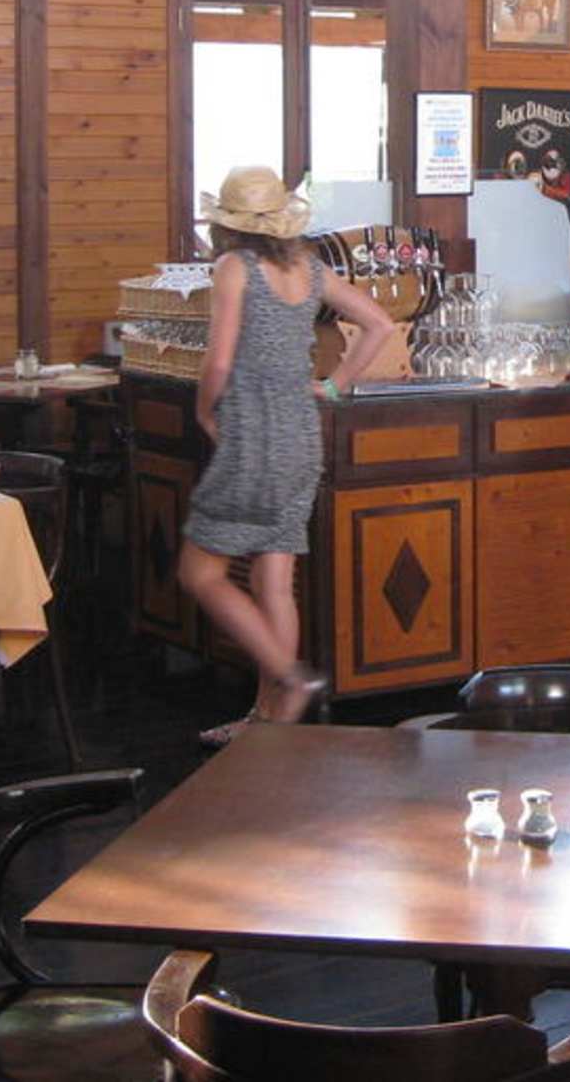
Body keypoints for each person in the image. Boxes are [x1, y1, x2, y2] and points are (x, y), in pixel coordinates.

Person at [181, 166, 394, 745]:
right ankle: (269, 724)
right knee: (273, 579)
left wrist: (204, 412)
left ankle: (289, 676)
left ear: (227, 226)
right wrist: (334, 385)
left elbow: (218, 363)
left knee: (199, 572)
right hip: (302, 432)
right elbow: (378, 324)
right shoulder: (309, 267)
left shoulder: (234, 267)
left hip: (252, 434)